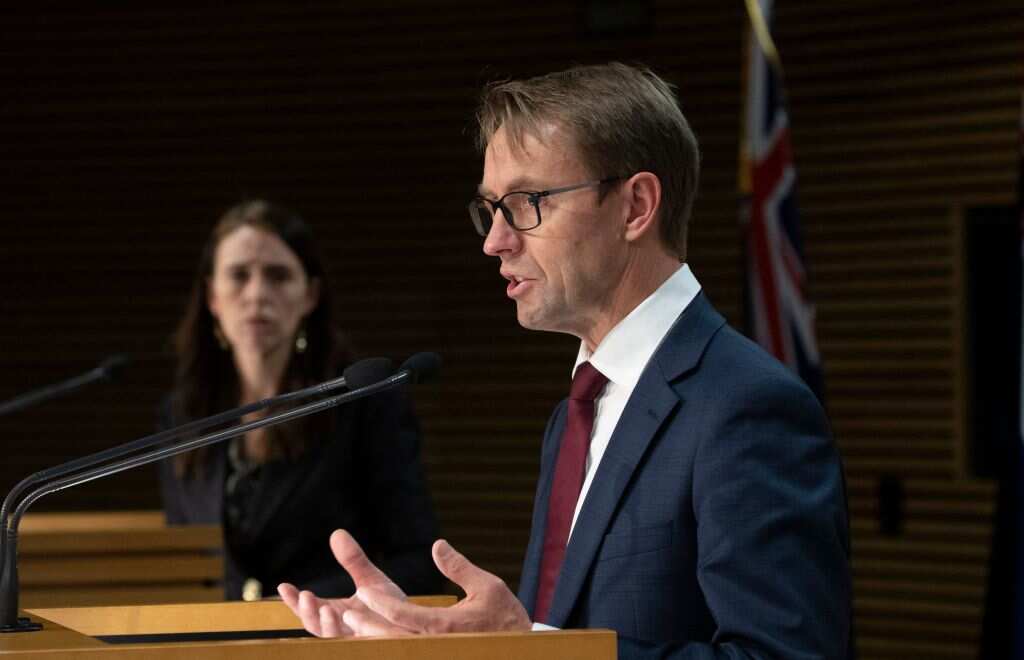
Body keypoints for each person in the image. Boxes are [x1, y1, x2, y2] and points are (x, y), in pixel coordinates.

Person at [278, 63, 852, 659]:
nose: (494, 240)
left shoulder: (748, 407)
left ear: (635, 206)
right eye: (490, 209)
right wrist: (422, 639)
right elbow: (555, 635)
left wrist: (525, 648)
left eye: (526, 202)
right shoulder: (576, 411)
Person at [159, 199, 442, 601]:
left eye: (277, 276)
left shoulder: (363, 402)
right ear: (212, 298)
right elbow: (185, 564)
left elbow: (419, 564)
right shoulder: (181, 414)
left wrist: (300, 604)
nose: (257, 294)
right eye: (239, 276)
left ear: (309, 295)